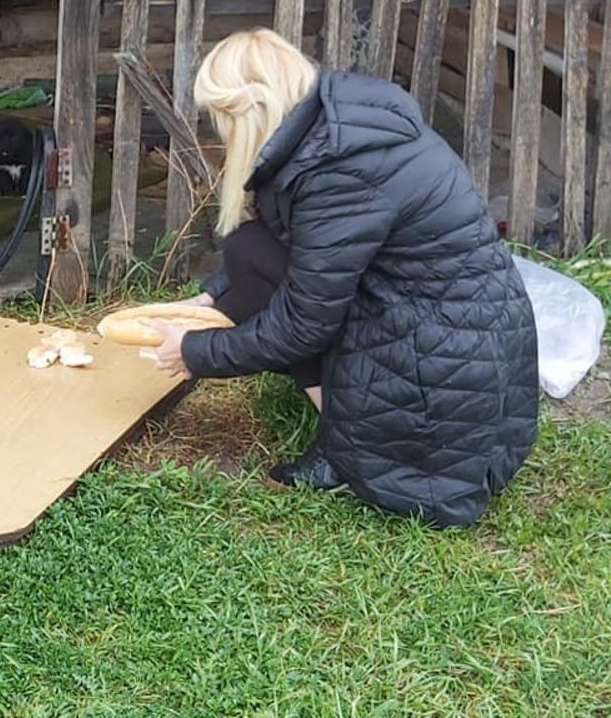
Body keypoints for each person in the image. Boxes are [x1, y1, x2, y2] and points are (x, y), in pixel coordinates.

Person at [146, 28, 539, 528]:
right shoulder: (335, 121)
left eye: (221, 118)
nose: (220, 132)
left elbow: (304, 321)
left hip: (441, 356)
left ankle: (347, 446)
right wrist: (216, 295)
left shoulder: (339, 170)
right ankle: (340, 426)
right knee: (248, 251)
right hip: (447, 318)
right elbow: (286, 241)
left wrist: (195, 353)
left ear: (249, 111)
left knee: (291, 303)